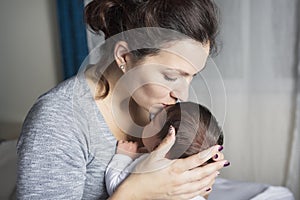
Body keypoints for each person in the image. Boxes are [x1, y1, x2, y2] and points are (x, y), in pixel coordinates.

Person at [16, 0, 230, 199]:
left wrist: (192, 181)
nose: (182, 95)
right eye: (171, 76)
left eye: (192, 76)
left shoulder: (161, 110)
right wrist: (136, 191)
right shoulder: (59, 122)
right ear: (124, 57)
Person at [105, 102, 225, 200]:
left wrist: (124, 156)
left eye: (153, 121)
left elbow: (116, 187)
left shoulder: (147, 165)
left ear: (160, 147)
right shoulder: (193, 183)